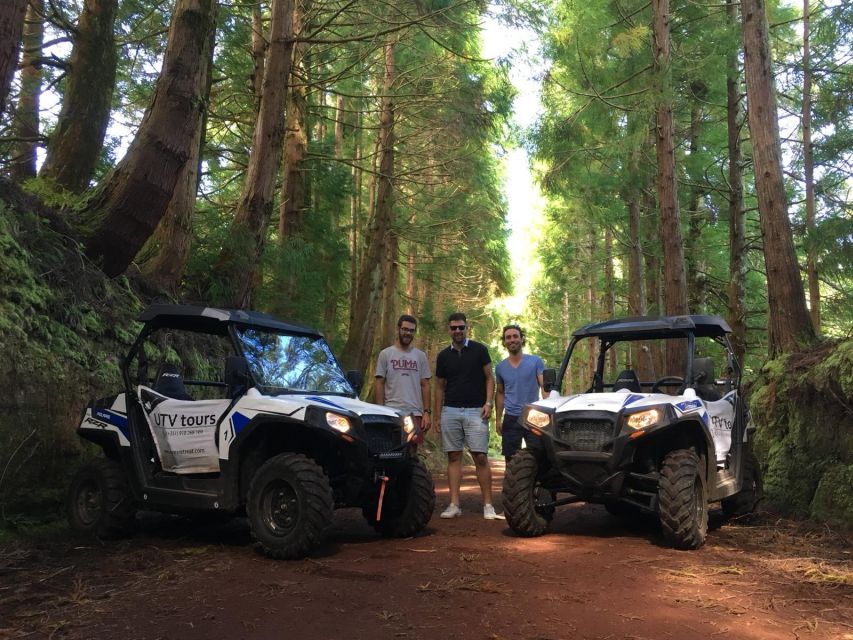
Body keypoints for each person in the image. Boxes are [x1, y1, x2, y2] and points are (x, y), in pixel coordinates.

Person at [434, 312, 503, 520]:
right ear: (449, 329)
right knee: (453, 456)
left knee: (480, 456)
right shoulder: (443, 356)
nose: (457, 331)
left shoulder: (480, 350)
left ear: (467, 328)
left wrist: (488, 403)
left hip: (476, 411)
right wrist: (437, 415)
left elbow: (490, 379)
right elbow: (438, 387)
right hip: (451, 410)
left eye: (461, 327)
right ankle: (454, 504)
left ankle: (488, 506)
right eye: (454, 327)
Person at [375, 314, 432, 452]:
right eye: (405, 329)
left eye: (411, 330)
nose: (408, 333)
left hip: (415, 413)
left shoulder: (420, 356)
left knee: (412, 452)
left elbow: (425, 385)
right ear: (398, 329)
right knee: (389, 450)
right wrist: (380, 411)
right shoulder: (386, 354)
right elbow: (379, 383)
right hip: (391, 411)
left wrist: (426, 412)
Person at [495, 324, 545, 462]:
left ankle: (538, 483)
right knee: (510, 459)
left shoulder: (535, 361)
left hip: (533, 416)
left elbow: (544, 387)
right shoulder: (500, 367)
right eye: (508, 337)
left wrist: (549, 412)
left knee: (538, 456)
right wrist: (498, 419)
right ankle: (511, 484)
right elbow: (500, 393)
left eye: (515, 336)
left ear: (522, 339)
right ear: (504, 342)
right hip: (511, 417)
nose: (512, 340)